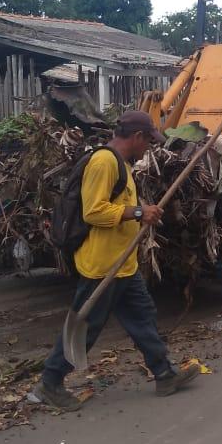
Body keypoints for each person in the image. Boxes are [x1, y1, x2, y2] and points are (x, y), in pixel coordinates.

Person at [30, 110, 199, 411]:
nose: (149, 147)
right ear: (136, 137)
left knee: (142, 315)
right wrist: (137, 213)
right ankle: (50, 383)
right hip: (103, 265)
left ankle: (164, 373)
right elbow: (93, 212)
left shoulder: (120, 164)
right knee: (86, 325)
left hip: (123, 264)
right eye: (148, 141)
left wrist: (141, 209)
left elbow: (117, 204)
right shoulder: (104, 162)